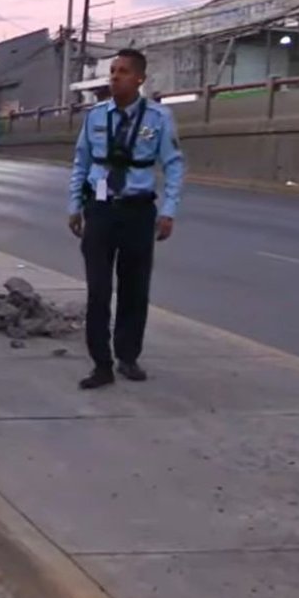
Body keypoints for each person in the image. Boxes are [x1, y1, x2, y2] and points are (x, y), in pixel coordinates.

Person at [68, 48, 186, 390]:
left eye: (122, 71)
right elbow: (81, 162)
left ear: (139, 79)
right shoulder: (95, 117)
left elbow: (174, 165)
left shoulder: (159, 118)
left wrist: (169, 212)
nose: (115, 76)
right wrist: (74, 205)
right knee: (98, 290)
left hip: (137, 210)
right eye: (113, 70)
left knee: (134, 289)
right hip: (101, 209)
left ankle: (128, 356)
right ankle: (100, 364)